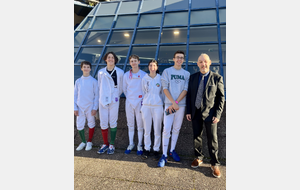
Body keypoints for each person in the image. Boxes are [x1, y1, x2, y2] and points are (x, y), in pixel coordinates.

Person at [186, 53, 225, 178]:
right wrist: (188, 111)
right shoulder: (192, 77)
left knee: (212, 139)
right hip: (195, 112)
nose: (203, 64)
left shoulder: (217, 78)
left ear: (210, 62)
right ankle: (199, 157)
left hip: (211, 114)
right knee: (197, 136)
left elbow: (221, 98)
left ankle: (214, 163)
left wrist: (218, 114)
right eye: (200, 62)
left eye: (205, 61)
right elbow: (190, 96)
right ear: (197, 64)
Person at [158, 50, 190, 167]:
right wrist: (172, 103)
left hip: (180, 106)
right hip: (169, 105)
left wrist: (176, 103)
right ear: (173, 59)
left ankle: (172, 150)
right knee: (166, 129)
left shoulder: (186, 74)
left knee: (176, 129)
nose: (179, 59)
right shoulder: (167, 71)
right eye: (177, 57)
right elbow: (165, 88)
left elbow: (185, 90)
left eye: (181, 58)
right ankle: (164, 155)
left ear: (183, 60)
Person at [97, 52, 124, 155]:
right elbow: (100, 86)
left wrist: (115, 95)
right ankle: (105, 144)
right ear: (105, 59)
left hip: (114, 99)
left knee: (113, 121)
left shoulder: (120, 72)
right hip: (103, 99)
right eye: (109, 57)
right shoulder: (100, 72)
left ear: (115, 60)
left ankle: (112, 144)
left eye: (112, 58)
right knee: (103, 121)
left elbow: (121, 87)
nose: (110, 59)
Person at [123, 55, 146, 155]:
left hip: (140, 102)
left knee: (140, 125)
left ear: (139, 62)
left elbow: (145, 89)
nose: (134, 63)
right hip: (129, 102)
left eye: (135, 61)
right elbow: (124, 89)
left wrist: (141, 100)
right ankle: (131, 143)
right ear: (130, 63)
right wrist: (130, 98)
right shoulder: (126, 75)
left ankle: (140, 145)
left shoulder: (144, 75)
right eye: (132, 61)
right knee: (130, 124)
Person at [140, 59, 164, 160]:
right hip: (146, 106)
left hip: (157, 106)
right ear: (148, 67)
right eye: (150, 65)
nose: (152, 67)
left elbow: (162, 94)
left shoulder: (161, 79)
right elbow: (143, 92)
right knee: (147, 129)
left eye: (154, 65)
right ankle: (146, 148)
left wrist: (159, 102)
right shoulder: (144, 78)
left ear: (157, 67)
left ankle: (156, 149)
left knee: (157, 130)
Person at [74, 61, 99, 151]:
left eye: (88, 67)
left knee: (91, 123)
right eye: (84, 67)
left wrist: (95, 108)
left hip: (90, 106)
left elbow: (97, 96)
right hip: (80, 106)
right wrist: (74, 107)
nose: (86, 69)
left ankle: (89, 141)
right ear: (81, 68)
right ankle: (83, 141)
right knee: (79, 125)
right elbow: (75, 95)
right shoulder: (78, 81)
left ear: (90, 69)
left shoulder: (93, 81)